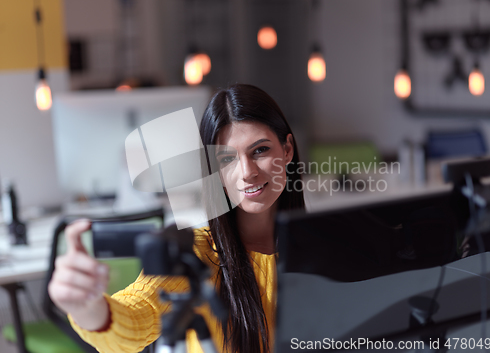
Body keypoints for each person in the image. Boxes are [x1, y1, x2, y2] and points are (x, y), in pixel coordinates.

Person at [48, 84, 306, 353]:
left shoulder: (321, 247)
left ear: (287, 150)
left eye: (260, 150)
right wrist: (90, 309)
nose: (247, 172)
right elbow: (138, 313)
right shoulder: (196, 254)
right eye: (226, 159)